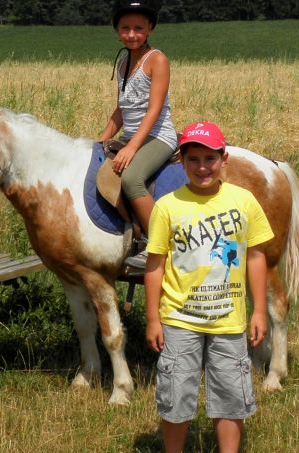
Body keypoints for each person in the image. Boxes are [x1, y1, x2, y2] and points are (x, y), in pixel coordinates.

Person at [143, 122, 271, 453]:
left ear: (223, 158)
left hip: (228, 319)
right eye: (194, 159)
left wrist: (259, 310)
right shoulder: (167, 207)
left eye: (210, 159)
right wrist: (153, 318)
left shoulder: (243, 201)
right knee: (176, 393)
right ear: (181, 162)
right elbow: (154, 265)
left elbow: (256, 256)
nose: (202, 167)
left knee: (231, 395)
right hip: (179, 319)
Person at [98, 0, 178, 270]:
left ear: (150, 28)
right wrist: (100, 140)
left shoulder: (157, 60)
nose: (131, 34)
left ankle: (159, 244)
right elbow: (122, 109)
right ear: (116, 30)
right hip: (133, 135)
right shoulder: (122, 62)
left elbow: (154, 110)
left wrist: (131, 147)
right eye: (125, 28)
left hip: (158, 136)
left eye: (138, 28)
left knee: (132, 178)